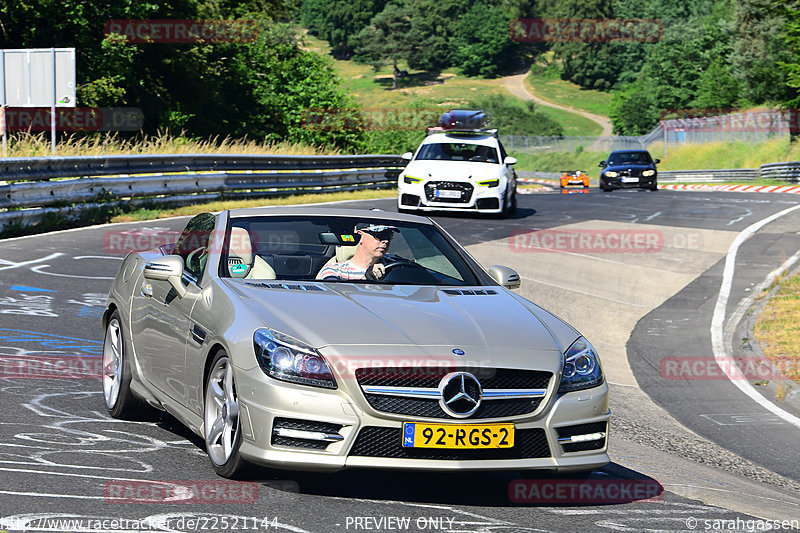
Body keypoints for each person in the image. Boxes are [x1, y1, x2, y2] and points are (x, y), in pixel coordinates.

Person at [316, 223, 399, 281]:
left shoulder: (396, 266)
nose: (386, 241)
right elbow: (334, 298)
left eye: (389, 236)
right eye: (379, 236)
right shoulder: (335, 270)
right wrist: (365, 279)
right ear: (360, 236)